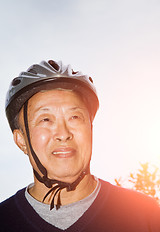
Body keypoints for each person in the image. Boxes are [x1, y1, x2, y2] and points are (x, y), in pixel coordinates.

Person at [1, 59, 160, 232]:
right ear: (21, 140)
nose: (63, 134)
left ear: (90, 129)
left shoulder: (146, 215)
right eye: (45, 119)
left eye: (75, 117)